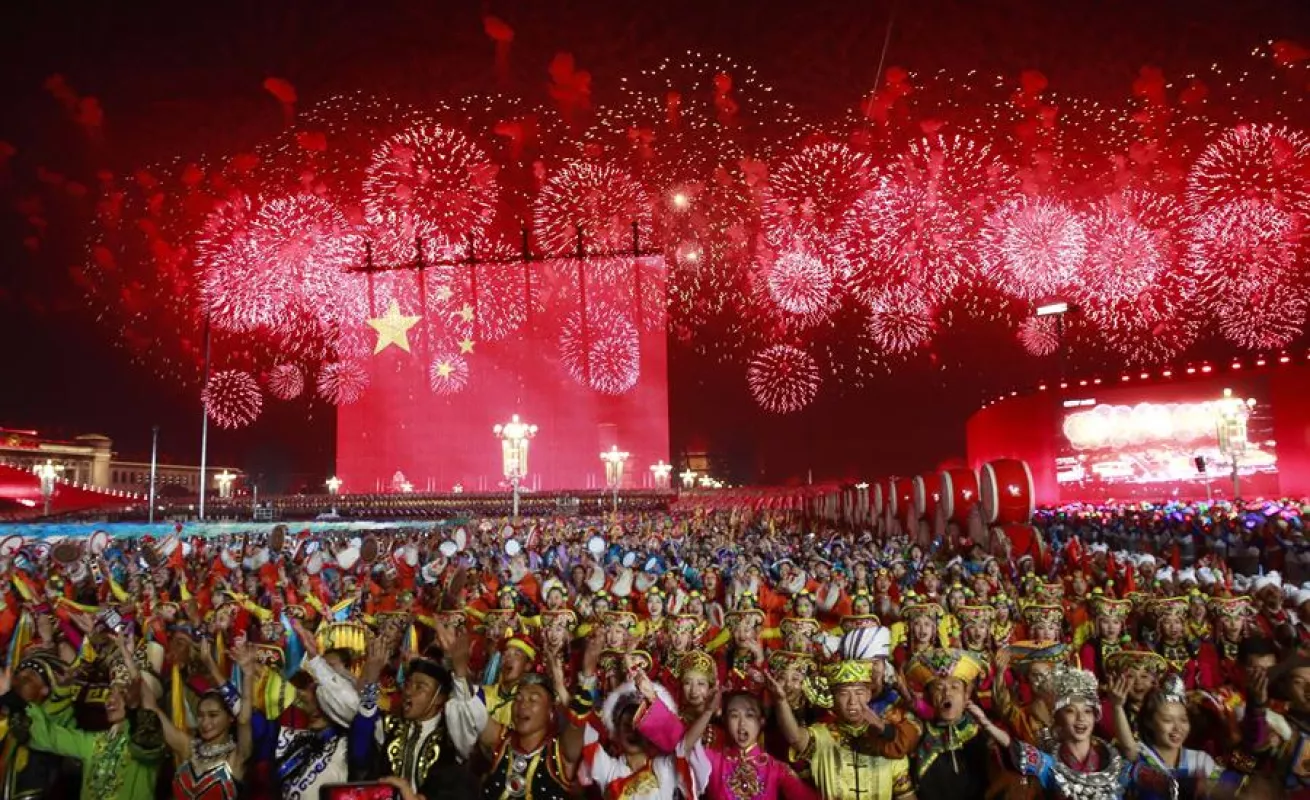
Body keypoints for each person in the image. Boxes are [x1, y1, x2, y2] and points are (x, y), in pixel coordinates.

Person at [142, 641, 253, 800]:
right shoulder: (188, 748)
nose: (205, 722)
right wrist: (134, 670)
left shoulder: (237, 757)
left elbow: (244, 719)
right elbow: (151, 707)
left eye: (213, 715)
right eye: (200, 715)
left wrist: (248, 675)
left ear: (229, 719)